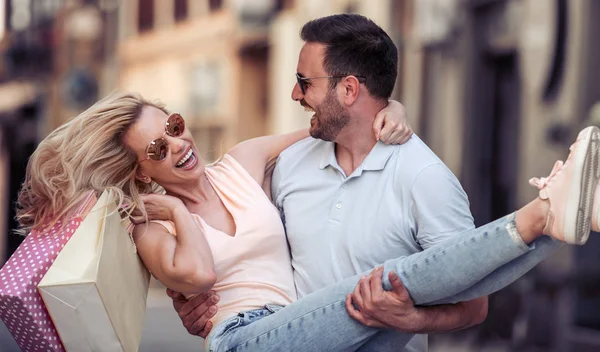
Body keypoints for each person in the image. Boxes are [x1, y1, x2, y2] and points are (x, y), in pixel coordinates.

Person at [16, 87, 600, 351]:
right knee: (376, 286)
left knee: (386, 331)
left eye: (172, 125)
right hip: (245, 341)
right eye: (157, 151)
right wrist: (172, 208)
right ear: (140, 172)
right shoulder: (151, 227)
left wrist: (385, 107)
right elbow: (193, 278)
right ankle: (540, 214)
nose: (179, 144)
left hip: (300, 324)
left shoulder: (242, 161)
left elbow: (334, 121)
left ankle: (553, 222)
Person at [169, 14, 488, 351]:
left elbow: (474, 306)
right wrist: (194, 302)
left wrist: (411, 320)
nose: (295, 94)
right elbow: (252, 254)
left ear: (349, 89)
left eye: (304, 82)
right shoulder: (290, 163)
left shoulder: (425, 180)